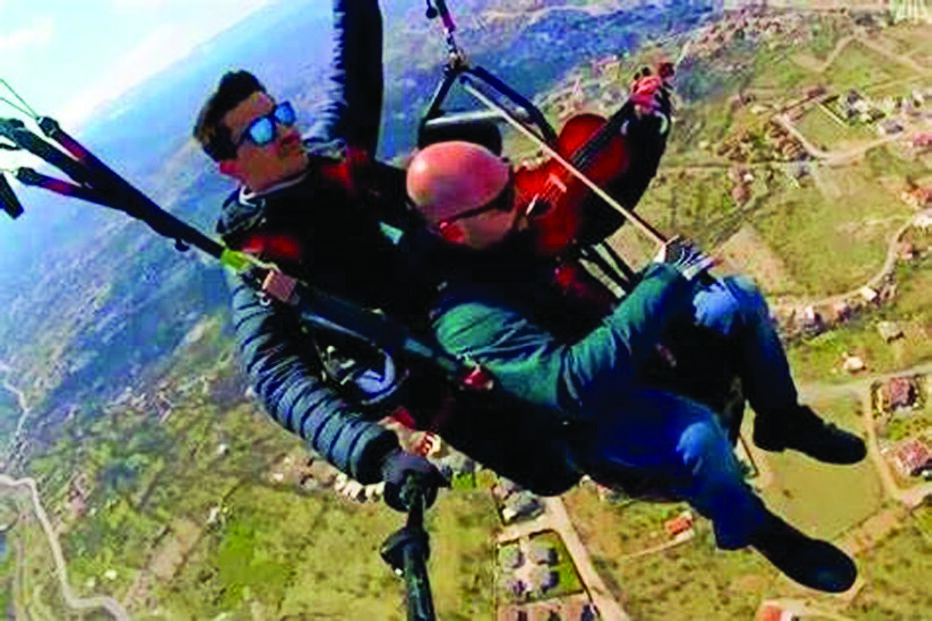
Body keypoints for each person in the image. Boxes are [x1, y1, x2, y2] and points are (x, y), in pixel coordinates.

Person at [404, 139, 863, 592]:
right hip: (590, 418)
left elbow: (599, 207)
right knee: (697, 434)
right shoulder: (467, 320)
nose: (522, 197)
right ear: (453, 231)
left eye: (512, 176)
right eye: (505, 198)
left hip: (625, 348)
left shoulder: (517, 234)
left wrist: (645, 130)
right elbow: (572, 386)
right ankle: (751, 525)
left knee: (737, 300)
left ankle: (783, 420)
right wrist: (663, 280)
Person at [192, 0, 448, 512]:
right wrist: (377, 456)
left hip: (454, 280)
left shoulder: (327, 154)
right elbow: (275, 374)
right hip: (425, 358)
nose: (285, 130)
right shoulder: (257, 254)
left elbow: (354, 66)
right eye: (260, 131)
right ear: (231, 168)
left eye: (280, 114)